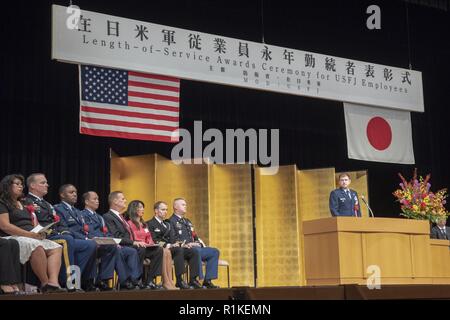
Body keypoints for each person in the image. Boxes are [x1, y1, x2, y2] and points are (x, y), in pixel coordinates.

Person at [25, 173, 97, 291]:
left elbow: (59, 223)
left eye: (46, 182)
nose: (47, 185)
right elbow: (31, 223)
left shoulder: (47, 204)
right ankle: (70, 282)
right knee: (67, 240)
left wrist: (64, 231)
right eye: (43, 183)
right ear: (32, 186)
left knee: (90, 245)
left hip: (56, 235)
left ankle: (79, 279)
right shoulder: (26, 201)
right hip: (42, 236)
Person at [0, 174, 65, 294]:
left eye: (21, 184)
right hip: (13, 236)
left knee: (56, 247)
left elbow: (33, 222)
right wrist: (29, 235)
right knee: (37, 246)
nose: (21, 187)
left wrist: (41, 232)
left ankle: (53, 282)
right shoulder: (2, 203)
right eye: (17, 184)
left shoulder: (24, 203)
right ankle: (45, 283)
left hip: (31, 235)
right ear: (7, 186)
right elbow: (5, 226)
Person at [53, 184, 112, 291]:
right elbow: (65, 229)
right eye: (71, 192)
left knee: (97, 245)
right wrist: (86, 239)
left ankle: (87, 281)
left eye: (75, 192)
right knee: (90, 245)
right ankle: (76, 280)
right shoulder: (58, 208)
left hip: (81, 239)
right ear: (62, 194)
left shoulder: (77, 212)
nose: (75, 194)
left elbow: (85, 229)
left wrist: (90, 237)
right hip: (70, 239)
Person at [81, 191, 141, 290]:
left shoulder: (99, 217)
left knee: (131, 251)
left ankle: (132, 280)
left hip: (107, 244)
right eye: (94, 199)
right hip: (95, 244)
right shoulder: (83, 215)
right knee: (115, 249)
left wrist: (112, 240)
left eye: (98, 199)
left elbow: (107, 233)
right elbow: (88, 231)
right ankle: (122, 280)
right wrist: (107, 240)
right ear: (87, 202)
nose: (97, 201)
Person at [103, 191, 163, 290]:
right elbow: (116, 236)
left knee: (158, 250)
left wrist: (149, 244)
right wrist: (134, 242)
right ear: (114, 201)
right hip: (123, 245)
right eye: (122, 199)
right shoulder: (108, 216)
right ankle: (136, 279)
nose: (125, 200)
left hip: (131, 244)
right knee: (139, 249)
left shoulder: (121, 217)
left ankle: (149, 280)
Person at [147, 201, 202, 289]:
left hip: (171, 248)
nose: (165, 212)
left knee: (192, 251)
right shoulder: (150, 223)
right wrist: (168, 245)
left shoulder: (167, 224)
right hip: (160, 249)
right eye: (163, 209)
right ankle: (178, 279)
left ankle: (189, 279)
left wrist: (178, 244)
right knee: (178, 250)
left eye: (166, 210)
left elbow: (173, 238)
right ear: (156, 211)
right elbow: (154, 241)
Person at [126, 200, 178, 290]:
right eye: (140, 207)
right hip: (137, 247)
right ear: (134, 209)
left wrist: (151, 244)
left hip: (147, 247)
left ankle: (150, 280)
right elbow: (131, 238)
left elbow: (150, 238)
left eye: (143, 208)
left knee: (159, 250)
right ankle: (138, 279)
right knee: (144, 250)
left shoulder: (144, 224)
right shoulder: (129, 223)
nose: (142, 210)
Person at [168, 198, 220, 289]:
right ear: (175, 207)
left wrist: (197, 242)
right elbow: (172, 239)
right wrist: (186, 244)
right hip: (184, 250)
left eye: (185, 204)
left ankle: (207, 280)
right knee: (195, 251)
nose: (185, 206)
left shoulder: (187, 221)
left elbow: (195, 236)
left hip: (194, 247)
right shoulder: (170, 221)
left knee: (214, 251)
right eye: (183, 204)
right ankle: (194, 279)